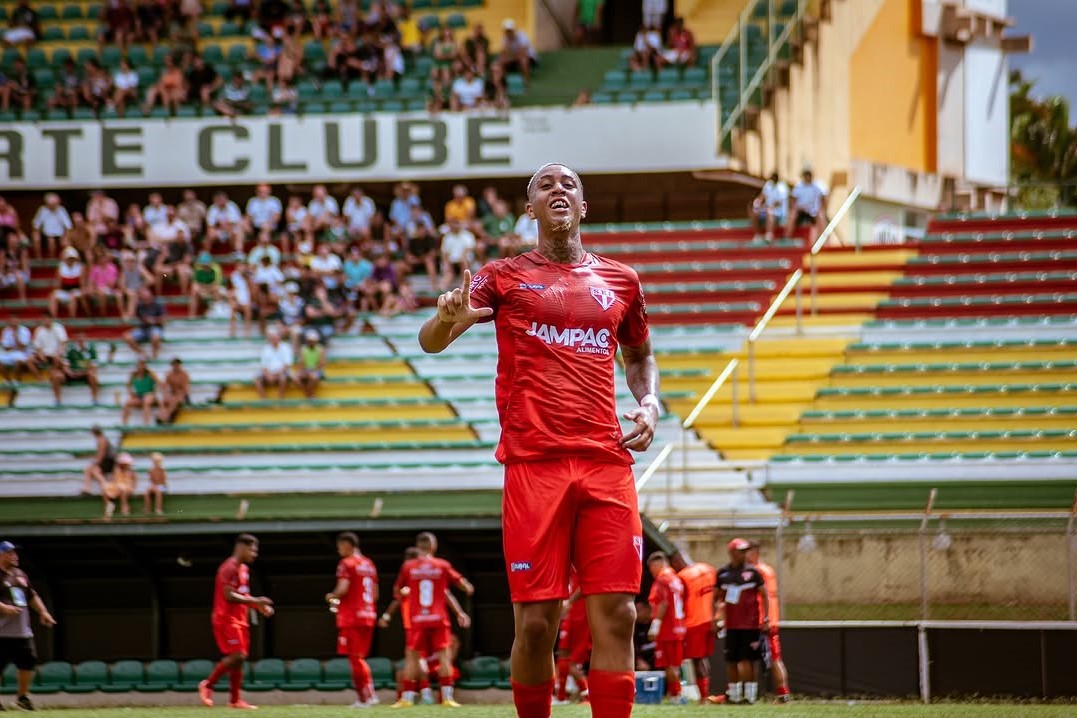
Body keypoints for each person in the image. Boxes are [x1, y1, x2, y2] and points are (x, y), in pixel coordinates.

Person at [417, 163, 659, 718]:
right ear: (530, 209)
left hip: (606, 463)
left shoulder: (622, 280)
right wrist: (442, 319)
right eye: (544, 186)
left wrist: (649, 403)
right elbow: (433, 341)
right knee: (534, 626)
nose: (557, 190)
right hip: (534, 466)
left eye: (567, 184)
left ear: (583, 207)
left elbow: (640, 355)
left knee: (620, 613)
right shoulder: (500, 276)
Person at [391, 532, 473, 708]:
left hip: (417, 618)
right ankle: (447, 698)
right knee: (444, 656)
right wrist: (466, 589)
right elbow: (458, 584)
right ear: (433, 546)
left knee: (412, 657)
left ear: (418, 546)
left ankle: (406, 698)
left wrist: (407, 592)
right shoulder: (441, 565)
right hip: (438, 617)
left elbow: (397, 591)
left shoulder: (408, 566)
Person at [199, 534, 274, 710]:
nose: (254, 554)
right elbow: (229, 595)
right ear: (241, 547)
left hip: (240, 619)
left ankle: (235, 700)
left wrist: (258, 607)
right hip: (225, 619)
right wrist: (256, 601)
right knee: (238, 655)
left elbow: (243, 595)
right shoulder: (228, 568)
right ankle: (208, 685)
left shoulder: (244, 569)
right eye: (252, 550)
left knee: (240, 660)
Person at [0, 541, 57, 713]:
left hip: (22, 632)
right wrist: (3, 607)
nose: (14, 556)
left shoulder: (20, 574)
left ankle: (22, 698)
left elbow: (32, 596)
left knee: (28, 663)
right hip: (1, 632)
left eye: (15, 553)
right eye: (10, 553)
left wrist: (43, 612)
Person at [325, 532, 379, 708]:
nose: (339, 549)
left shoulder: (346, 563)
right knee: (360, 657)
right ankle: (368, 696)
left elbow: (343, 588)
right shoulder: (369, 564)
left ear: (348, 544)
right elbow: (376, 594)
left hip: (352, 617)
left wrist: (331, 597)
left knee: (355, 658)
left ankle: (366, 698)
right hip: (369, 615)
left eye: (340, 546)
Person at [714, 537, 769, 705]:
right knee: (731, 661)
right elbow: (716, 598)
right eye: (741, 551)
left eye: (746, 551)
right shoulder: (723, 574)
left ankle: (750, 695)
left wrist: (765, 618)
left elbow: (764, 595)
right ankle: (734, 695)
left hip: (750, 624)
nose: (745, 554)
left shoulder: (754, 573)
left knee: (749, 661)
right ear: (731, 553)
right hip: (731, 625)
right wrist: (715, 618)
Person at [671, 550, 717, 703]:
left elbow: (679, 603)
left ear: (677, 562)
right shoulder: (708, 569)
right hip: (709, 621)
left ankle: (703, 697)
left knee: (697, 660)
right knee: (703, 659)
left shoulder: (682, 577)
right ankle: (706, 693)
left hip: (693, 623)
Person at [747, 541, 790, 702]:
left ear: (755, 553)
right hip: (770, 619)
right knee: (773, 657)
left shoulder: (756, 571)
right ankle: (782, 693)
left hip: (762, 621)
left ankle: (782, 693)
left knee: (769, 658)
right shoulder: (768, 569)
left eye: (747, 552)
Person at [646, 552, 686, 703]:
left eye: (651, 569)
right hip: (678, 627)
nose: (652, 573)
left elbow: (663, 603)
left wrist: (655, 626)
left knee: (669, 665)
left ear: (657, 565)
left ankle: (675, 695)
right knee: (675, 664)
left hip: (667, 629)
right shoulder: (676, 579)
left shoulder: (662, 579)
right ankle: (677, 693)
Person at [553, 572, 591, 705]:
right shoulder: (565, 566)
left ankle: (587, 696)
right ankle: (561, 697)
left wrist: (569, 601)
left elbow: (585, 585)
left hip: (579, 616)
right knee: (562, 654)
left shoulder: (578, 565)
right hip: (570, 615)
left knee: (572, 662)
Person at [51, 334, 99, 406]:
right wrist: (69, 372)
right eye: (79, 339)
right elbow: (65, 365)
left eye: (82, 339)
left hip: (85, 373)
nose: (81, 341)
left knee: (93, 375)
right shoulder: (70, 349)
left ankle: (95, 399)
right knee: (57, 376)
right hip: (71, 373)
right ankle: (58, 400)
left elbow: (94, 366)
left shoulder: (91, 350)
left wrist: (83, 372)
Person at [786, 168, 828, 246]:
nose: (807, 177)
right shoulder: (798, 186)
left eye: (809, 175)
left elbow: (824, 198)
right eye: (806, 175)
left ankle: (824, 240)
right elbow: (793, 200)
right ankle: (787, 237)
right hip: (801, 211)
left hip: (813, 212)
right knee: (792, 214)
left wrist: (822, 209)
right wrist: (795, 209)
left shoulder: (818, 186)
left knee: (821, 216)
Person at [124, 287, 166, 359]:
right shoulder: (139, 306)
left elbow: (164, 319)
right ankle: (143, 354)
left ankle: (154, 355)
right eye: (144, 297)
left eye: (147, 297)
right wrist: (133, 300)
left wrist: (153, 320)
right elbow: (130, 315)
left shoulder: (157, 305)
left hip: (155, 327)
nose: (146, 299)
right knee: (127, 337)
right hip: (143, 329)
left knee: (155, 336)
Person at [255, 326, 293, 399]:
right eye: (272, 338)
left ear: (279, 338)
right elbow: (263, 366)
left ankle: (280, 399)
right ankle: (264, 400)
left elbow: (287, 365)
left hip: (281, 372)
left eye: (275, 338)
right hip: (270, 373)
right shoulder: (266, 349)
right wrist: (268, 375)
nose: (274, 340)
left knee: (283, 378)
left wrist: (275, 374)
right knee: (257, 379)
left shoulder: (286, 347)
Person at [48, 247, 85, 318]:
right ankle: (53, 316)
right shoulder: (61, 267)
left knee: (72, 297)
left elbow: (81, 282)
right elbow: (58, 282)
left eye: (72, 259)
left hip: (76, 290)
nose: (70, 260)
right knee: (53, 296)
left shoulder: (80, 267)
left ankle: (72, 317)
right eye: (69, 258)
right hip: (65, 290)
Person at [121, 358, 159, 425]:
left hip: (148, 394)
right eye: (139, 365)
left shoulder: (150, 373)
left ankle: (146, 423)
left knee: (146, 402)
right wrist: (131, 393)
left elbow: (158, 383)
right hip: (139, 395)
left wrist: (154, 393)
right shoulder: (133, 374)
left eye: (142, 365)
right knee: (127, 403)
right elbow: (128, 385)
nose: (141, 367)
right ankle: (124, 423)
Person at [751, 172, 788, 242]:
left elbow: (778, 203)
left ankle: (769, 234)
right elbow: (762, 196)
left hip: (779, 212)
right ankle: (757, 234)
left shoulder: (782, 187)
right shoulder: (768, 184)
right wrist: (757, 203)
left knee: (770, 211)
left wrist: (767, 207)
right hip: (767, 208)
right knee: (755, 212)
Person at [81, 425, 115, 496]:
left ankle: (104, 485)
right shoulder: (103, 439)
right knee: (90, 470)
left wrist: (95, 463)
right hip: (107, 461)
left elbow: (101, 456)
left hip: (108, 462)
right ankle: (87, 489)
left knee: (92, 469)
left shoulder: (101, 440)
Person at [102, 451, 137, 518]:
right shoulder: (117, 471)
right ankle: (109, 505)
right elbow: (115, 480)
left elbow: (133, 482)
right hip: (117, 486)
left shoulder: (131, 472)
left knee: (123, 492)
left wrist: (132, 487)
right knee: (106, 489)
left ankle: (124, 509)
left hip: (126, 487)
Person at [158, 357, 190, 423]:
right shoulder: (169, 374)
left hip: (181, 394)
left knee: (174, 400)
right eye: (174, 365)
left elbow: (185, 388)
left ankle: (166, 417)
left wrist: (186, 398)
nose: (176, 367)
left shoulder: (184, 374)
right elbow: (165, 386)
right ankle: (161, 416)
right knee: (163, 401)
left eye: (177, 365)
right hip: (173, 393)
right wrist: (165, 395)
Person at [296, 329, 325, 399]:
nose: (310, 342)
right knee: (296, 378)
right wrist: (302, 371)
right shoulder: (303, 349)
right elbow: (301, 363)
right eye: (309, 341)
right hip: (307, 370)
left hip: (316, 370)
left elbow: (321, 364)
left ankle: (309, 394)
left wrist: (312, 371)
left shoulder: (320, 349)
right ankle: (309, 394)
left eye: (312, 341)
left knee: (313, 376)